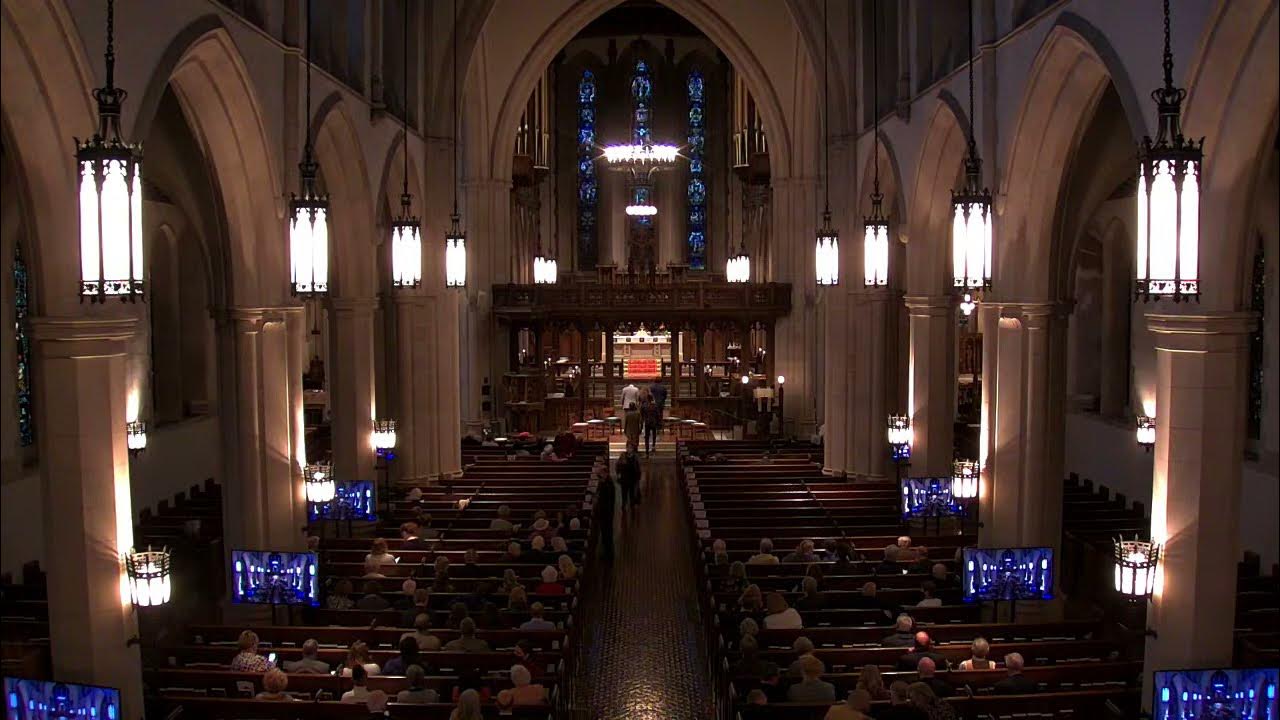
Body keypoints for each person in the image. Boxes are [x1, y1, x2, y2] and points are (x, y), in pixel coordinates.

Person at [593, 471, 617, 559]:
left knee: (607, 535)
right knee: (606, 535)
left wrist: (597, 500)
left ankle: (609, 554)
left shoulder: (606, 486)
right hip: (607, 513)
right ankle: (607, 553)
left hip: (606, 514)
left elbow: (604, 500)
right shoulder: (607, 484)